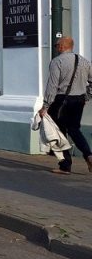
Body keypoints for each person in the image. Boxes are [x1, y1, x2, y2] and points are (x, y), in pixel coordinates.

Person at [39, 36, 92, 174]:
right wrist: (87, 96)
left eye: (57, 45)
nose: (56, 47)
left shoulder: (57, 62)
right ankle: (89, 155)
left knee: (58, 131)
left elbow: (52, 86)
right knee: (74, 129)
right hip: (79, 100)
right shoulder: (85, 61)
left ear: (62, 46)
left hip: (62, 100)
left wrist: (45, 106)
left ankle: (65, 165)